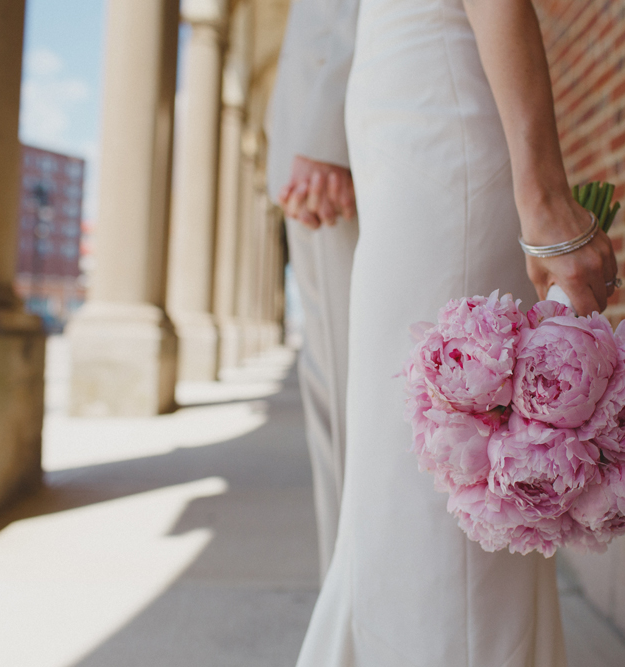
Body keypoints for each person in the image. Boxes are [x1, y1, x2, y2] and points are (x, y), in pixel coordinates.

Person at [294, 0, 618, 665]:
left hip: (439, 131)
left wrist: (543, 193)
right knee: (396, 479)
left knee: (437, 488)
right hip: (400, 120)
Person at [264, 0, 361, 583]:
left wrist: (326, 132)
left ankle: (357, 607)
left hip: (332, 150)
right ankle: (347, 605)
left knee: (351, 399)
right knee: (331, 388)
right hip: (312, 138)